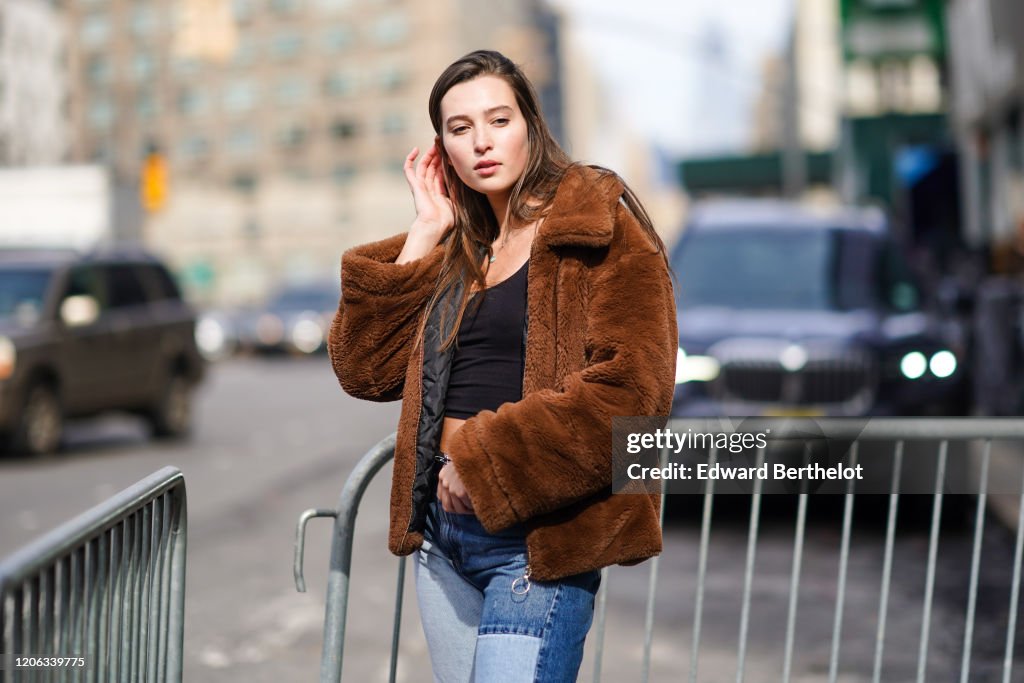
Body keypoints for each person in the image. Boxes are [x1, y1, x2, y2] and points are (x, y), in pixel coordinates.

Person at [328, 50, 677, 683]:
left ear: (531, 126)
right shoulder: (460, 245)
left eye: (499, 119)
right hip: (441, 541)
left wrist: (485, 461)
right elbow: (364, 370)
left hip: (536, 540)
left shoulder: (598, 230)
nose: (482, 142)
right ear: (442, 149)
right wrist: (424, 231)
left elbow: (633, 396)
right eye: (460, 129)